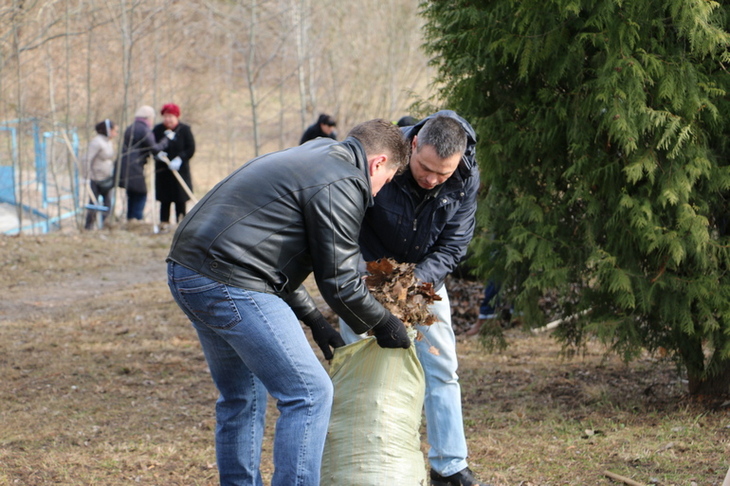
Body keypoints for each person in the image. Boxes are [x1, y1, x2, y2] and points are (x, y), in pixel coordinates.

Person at [166, 119, 412, 486]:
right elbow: (341, 283)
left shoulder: (316, 155)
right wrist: (384, 324)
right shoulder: (344, 180)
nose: (378, 192)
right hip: (227, 279)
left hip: (189, 270)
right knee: (310, 394)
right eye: (387, 179)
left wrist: (313, 318)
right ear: (377, 164)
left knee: (241, 397)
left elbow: (273, 255)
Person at [338, 111, 491, 486]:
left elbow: (454, 244)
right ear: (413, 145)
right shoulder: (380, 153)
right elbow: (343, 223)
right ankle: (363, 464)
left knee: (442, 368)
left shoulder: (466, 177)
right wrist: (366, 276)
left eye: (443, 173)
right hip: (367, 277)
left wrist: (413, 282)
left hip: (424, 282)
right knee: (362, 370)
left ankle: (449, 465)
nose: (432, 179)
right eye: (425, 168)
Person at [118, 105, 170, 222]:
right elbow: (154, 148)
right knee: (141, 193)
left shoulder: (131, 127)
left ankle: (130, 219)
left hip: (126, 165)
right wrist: (165, 140)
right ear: (147, 118)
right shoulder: (144, 129)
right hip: (135, 166)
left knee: (132, 193)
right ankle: (137, 219)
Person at [152, 103, 196, 231]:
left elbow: (191, 148)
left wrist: (180, 158)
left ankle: (181, 223)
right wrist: (157, 154)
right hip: (163, 172)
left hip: (180, 171)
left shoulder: (184, 130)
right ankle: (163, 223)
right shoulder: (157, 130)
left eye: (170, 116)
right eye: (165, 116)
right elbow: (152, 146)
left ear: (176, 116)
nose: (168, 119)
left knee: (180, 198)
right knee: (165, 200)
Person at [84, 119, 118, 230]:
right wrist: (86, 176)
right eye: (114, 130)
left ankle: (105, 226)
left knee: (108, 204)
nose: (115, 133)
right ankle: (88, 227)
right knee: (93, 204)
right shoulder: (96, 142)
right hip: (96, 178)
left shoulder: (108, 141)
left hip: (107, 178)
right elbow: (87, 159)